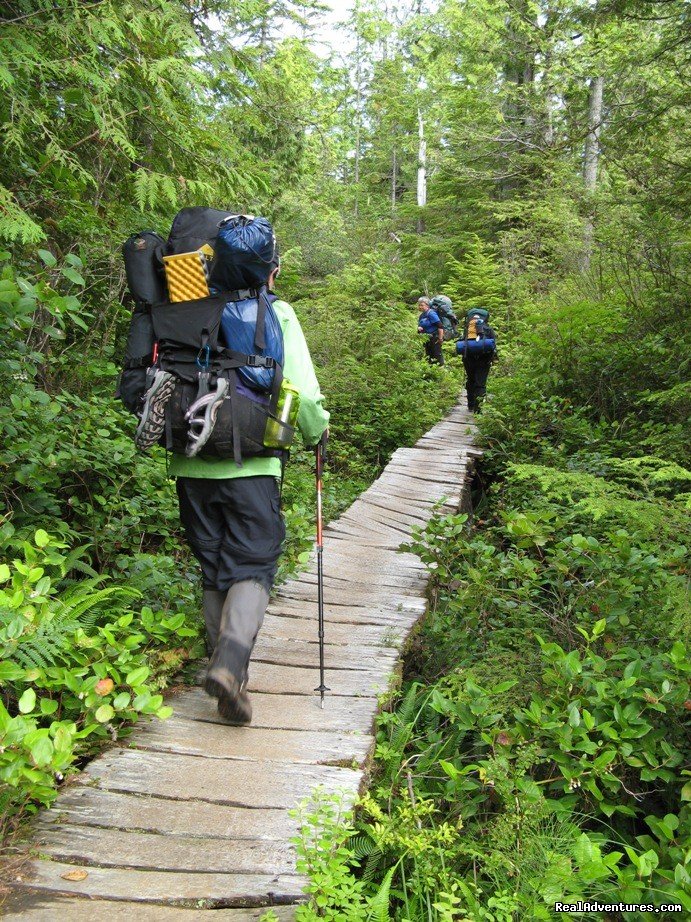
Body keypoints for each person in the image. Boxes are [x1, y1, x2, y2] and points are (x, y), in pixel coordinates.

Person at [157, 254, 329, 724]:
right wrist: (317, 432)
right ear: (266, 271)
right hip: (252, 464)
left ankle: (230, 682)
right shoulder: (275, 312)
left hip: (190, 465)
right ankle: (230, 666)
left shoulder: (181, 312)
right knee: (252, 563)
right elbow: (303, 394)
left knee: (214, 567)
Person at [461, 309, 497, 412]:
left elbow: (463, 344)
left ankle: (470, 405)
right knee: (480, 383)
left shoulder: (467, 329)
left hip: (469, 359)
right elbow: (494, 346)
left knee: (471, 380)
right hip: (484, 359)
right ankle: (478, 410)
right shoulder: (488, 329)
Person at [417, 296, 444, 366]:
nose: (420, 307)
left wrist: (440, 338)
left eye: (422, 305)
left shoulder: (431, 313)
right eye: (419, 305)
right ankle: (431, 373)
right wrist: (419, 329)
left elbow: (440, 326)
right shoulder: (422, 315)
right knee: (429, 357)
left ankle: (440, 373)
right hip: (426, 340)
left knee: (437, 356)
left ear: (427, 305)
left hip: (434, 338)